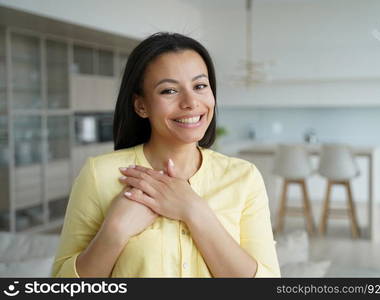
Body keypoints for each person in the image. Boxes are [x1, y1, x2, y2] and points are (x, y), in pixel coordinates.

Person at [52, 32, 280, 278]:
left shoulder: (244, 177)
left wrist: (194, 210)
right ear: (141, 105)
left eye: (200, 86)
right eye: (169, 91)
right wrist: (115, 232)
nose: (191, 102)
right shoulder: (100, 175)